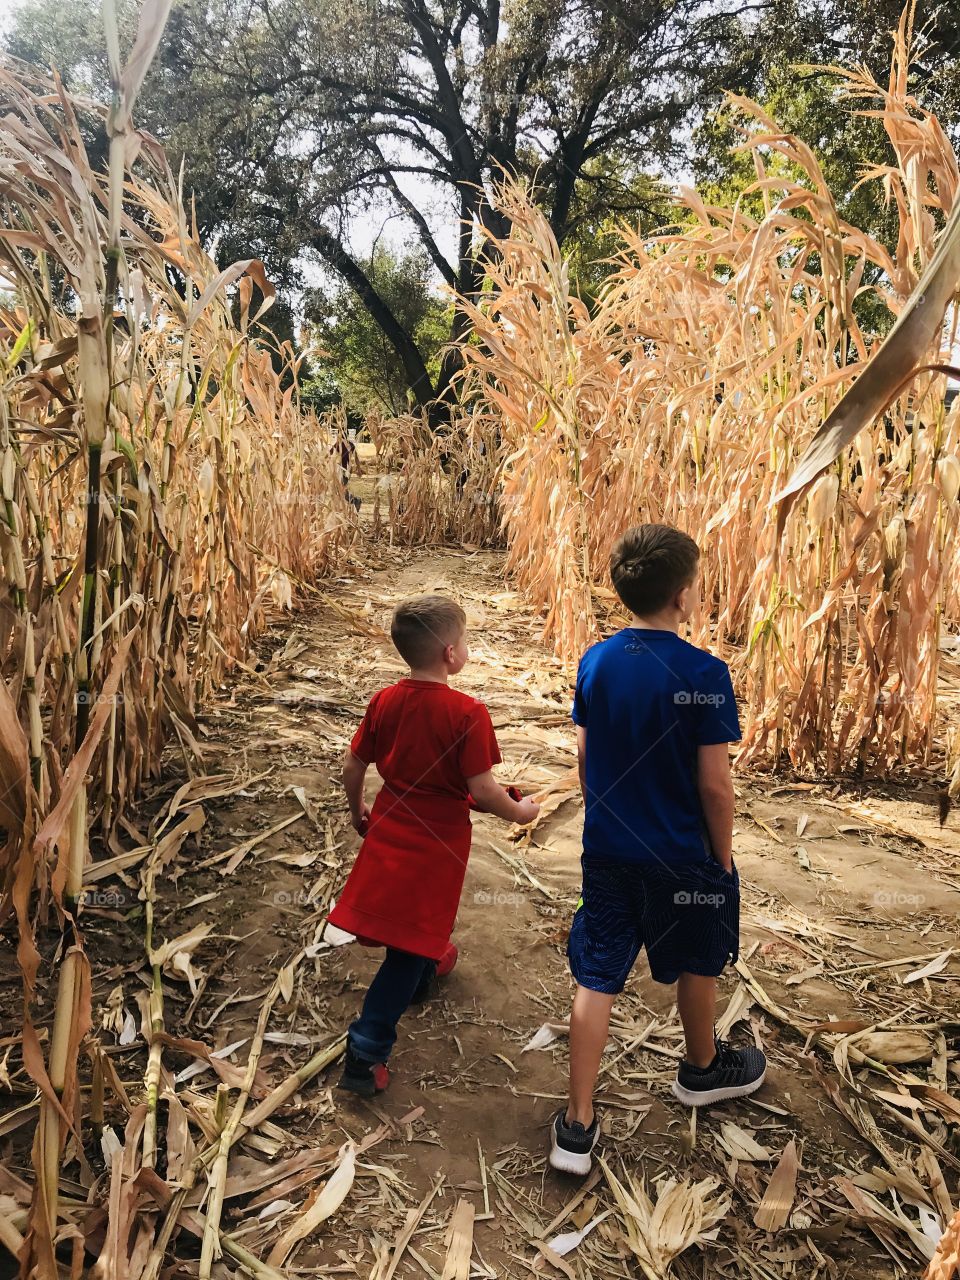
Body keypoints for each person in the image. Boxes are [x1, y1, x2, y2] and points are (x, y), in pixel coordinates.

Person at [549, 524, 766, 1175]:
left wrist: (607, 823)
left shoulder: (597, 662)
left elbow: (587, 758)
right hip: (682, 857)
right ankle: (701, 1068)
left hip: (609, 853)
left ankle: (577, 1126)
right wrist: (721, 863)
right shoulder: (705, 673)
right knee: (699, 959)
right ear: (683, 597)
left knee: (597, 976)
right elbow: (715, 786)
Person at [327, 594, 540, 1095]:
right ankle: (365, 1049)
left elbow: (353, 765)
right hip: (437, 843)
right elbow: (483, 790)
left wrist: (357, 808)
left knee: (412, 920)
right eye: (465, 640)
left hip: (390, 824)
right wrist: (521, 812)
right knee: (408, 936)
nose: (467, 648)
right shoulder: (468, 713)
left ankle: (429, 962)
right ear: (450, 653)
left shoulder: (385, 701)